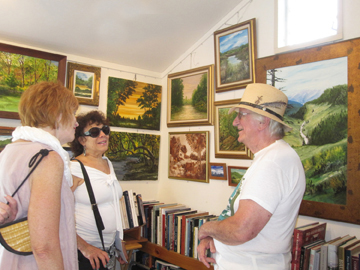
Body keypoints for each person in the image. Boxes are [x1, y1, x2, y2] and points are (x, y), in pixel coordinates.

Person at [197, 83, 306, 270]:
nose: (235, 122)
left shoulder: (272, 163)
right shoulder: (273, 157)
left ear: (263, 122)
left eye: (241, 115)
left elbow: (241, 230)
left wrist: (206, 228)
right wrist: (215, 236)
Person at [0, 81, 79, 270]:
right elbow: (44, 248)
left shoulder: (8, 151)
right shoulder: (48, 158)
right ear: (58, 115)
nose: (76, 122)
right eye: (73, 114)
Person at [69, 110, 127, 270]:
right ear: (81, 140)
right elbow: (57, 216)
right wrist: (85, 248)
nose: (103, 135)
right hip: (84, 255)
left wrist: (118, 244)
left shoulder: (107, 163)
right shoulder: (74, 168)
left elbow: (113, 204)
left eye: (105, 130)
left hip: (105, 251)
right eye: (95, 132)